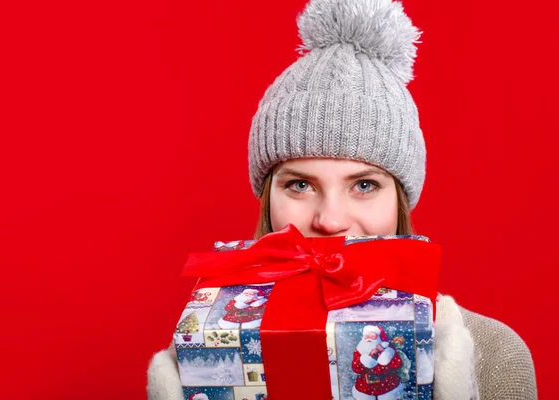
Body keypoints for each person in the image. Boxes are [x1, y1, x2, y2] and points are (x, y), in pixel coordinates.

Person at [147, 0, 537, 399]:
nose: (330, 221)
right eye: (300, 185)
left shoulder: (492, 355)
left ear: (400, 199)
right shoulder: (201, 354)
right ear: (267, 197)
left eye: (364, 185)